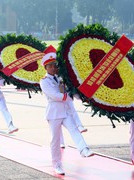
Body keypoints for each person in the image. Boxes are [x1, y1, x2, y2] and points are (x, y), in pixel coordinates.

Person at [39, 45, 94, 175]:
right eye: (50, 66)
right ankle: (57, 164)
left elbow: (70, 91)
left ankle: (84, 149)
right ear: (45, 68)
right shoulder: (44, 81)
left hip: (64, 112)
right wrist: (69, 97)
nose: (53, 67)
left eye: (54, 65)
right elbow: (55, 95)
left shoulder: (61, 78)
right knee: (55, 140)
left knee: (74, 129)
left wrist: (82, 97)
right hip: (54, 113)